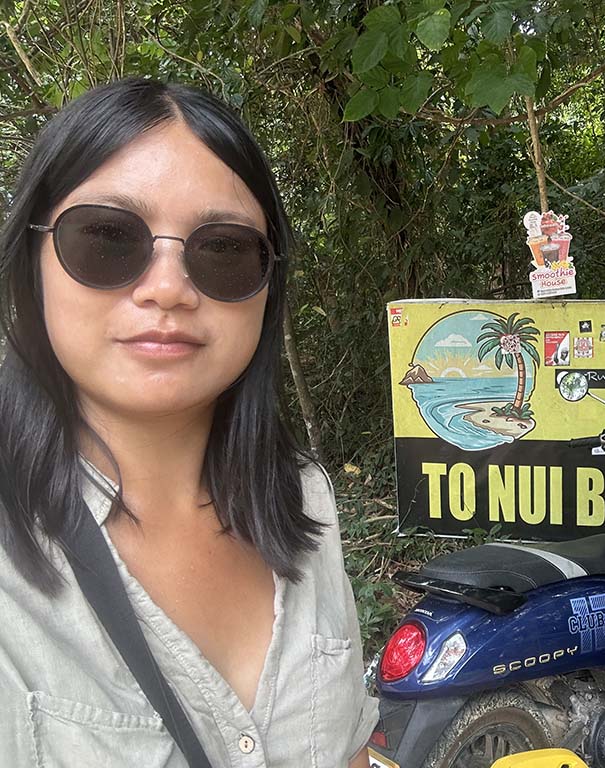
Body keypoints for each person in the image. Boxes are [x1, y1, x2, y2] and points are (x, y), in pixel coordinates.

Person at [0, 79, 377, 765]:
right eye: (108, 239)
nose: (169, 288)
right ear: (34, 260)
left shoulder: (303, 498)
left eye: (222, 250)